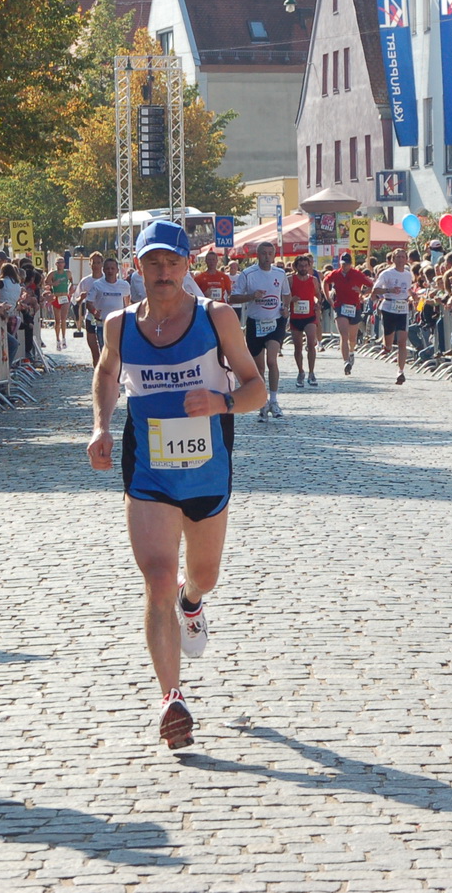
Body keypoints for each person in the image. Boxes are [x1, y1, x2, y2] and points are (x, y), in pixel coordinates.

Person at [86, 220, 264, 749]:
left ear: (188, 265)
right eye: (152, 263)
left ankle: (194, 602)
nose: (162, 273)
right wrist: (99, 425)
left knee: (200, 576)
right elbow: (104, 373)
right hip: (149, 473)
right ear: (136, 267)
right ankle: (172, 698)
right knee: (158, 578)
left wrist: (221, 401)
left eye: (172, 262)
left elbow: (256, 387)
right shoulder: (118, 325)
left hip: (208, 472)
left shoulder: (217, 318)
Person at [232, 243, 289, 419]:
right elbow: (233, 297)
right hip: (255, 323)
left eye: (270, 254)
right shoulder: (248, 274)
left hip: (275, 322)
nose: (267, 257)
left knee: (272, 361)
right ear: (258, 255)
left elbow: (285, 293)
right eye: (263, 253)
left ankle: (274, 401)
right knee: (259, 367)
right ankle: (263, 403)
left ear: (273, 256)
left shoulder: (280, 273)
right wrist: (251, 296)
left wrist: (285, 307)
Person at [371, 247, 416, 385]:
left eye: (403, 257)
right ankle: (387, 347)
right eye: (398, 257)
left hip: (402, 308)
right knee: (390, 342)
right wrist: (389, 290)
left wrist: (412, 294)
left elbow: (407, 288)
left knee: (402, 341)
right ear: (393, 259)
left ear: (406, 259)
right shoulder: (387, 273)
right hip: (389, 307)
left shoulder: (408, 274)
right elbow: (375, 290)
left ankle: (400, 372)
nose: (401, 259)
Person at [324, 253, 371, 375]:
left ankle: (351, 352)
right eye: (343, 264)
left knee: (352, 338)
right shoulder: (335, 274)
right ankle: (346, 362)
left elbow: (372, 285)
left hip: (354, 307)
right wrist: (329, 299)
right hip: (340, 306)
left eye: (347, 264)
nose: (345, 266)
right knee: (343, 335)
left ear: (351, 264)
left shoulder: (357, 274)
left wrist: (362, 292)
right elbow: (325, 282)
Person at [287, 255, 326, 388]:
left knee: (311, 344)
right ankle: (300, 372)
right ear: (296, 267)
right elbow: (284, 296)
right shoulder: (290, 280)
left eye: (306, 266)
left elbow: (317, 294)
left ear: (309, 266)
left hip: (309, 316)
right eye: (301, 266)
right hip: (296, 317)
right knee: (298, 347)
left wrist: (317, 304)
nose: (303, 268)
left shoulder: (313, 280)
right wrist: (291, 300)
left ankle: (311, 372)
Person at [45, 257, 73, 351]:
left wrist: (71, 288)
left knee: (63, 318)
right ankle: (57, 340)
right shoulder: (52, 274)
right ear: (56, 264)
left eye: (62, 262)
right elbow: (45, 283)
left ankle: (64, 338)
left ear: (64, 264)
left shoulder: (68, 273)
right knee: (57, 321)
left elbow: (72, 281)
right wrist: (53, 284)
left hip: (65, 297)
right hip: (56, 297)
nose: (60, 264)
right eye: (58, 263)